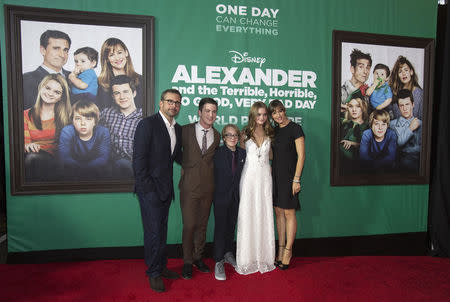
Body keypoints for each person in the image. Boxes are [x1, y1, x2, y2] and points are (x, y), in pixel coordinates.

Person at [133, 89, 183, 293]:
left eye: (177, 103)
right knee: (153, 233)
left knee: (161, 232)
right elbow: (138, 159)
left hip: (166, 190)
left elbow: (177, 157)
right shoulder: (147, 124)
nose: (173, 105)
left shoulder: (176, 128)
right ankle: (153, 273)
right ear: (161, 103)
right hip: (150, 191)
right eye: (169, 101)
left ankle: (161, 267)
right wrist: (147, 189)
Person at [179, 98, 220, 279]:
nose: (211, 115)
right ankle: (187, 261)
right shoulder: (185, 130)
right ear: (199, 112)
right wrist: (187, 165)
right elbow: (173, 153)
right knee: (189, 225)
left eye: (214, 112)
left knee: (202, 226)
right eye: (207, 111)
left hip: (208, 188)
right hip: (189, 187)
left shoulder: (217, 135)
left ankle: (198, 257)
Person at [235, 101, 276, 275]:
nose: (262, 117)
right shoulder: (245, 133)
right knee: (248, 214)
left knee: (264, 214)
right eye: (258, 114)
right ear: (253, 115)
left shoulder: (270, 132)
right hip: (249, 179)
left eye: (264, 114)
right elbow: (240, 153)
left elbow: (271, 156)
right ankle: (247, 258)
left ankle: (264, 257)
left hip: (265, 178)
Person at [268, 100, 305, 270]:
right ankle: (280, 248)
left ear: (284, 110)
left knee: (289, 213)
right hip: (275, 177)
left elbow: (301, 156)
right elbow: (271, 155)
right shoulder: (274, 131)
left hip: (290, 178)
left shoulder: (295, 128)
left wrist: (296, 179)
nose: (278, 115)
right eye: (274, 113)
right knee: (279, 213)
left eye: (280, 111)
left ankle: (289, 251)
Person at [212, 124, 246, 281]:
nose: (232, 138)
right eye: (229, 135)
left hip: (236, 198)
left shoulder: (243, 153)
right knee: (220, 228)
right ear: (223, 137)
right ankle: (218, 260)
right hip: (220, 197)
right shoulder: (217, 153)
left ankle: (228, 253)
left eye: (235, 135)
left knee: (231, 226)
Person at [24, 74, 71, 181]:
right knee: (31, 158)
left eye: (56, 92)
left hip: (55, 161)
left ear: (61, 98)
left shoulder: (66, 118)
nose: (50, 93)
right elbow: (26, 144)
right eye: (47, 88)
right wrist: (28, 145)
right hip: (31, 157)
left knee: (32, 158)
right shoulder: (25, 115)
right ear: (41, 88)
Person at [99, 75, 142, 178]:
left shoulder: (144, 117)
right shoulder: (107, 113)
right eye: (117, 93)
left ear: (134, 93)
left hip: (134, 166)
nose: (122, 97)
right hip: (110, 165)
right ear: (113, 97)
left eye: (125, 92)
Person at [58, 100, 110, 180]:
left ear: (95, 122)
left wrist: (85, 170)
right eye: (78, 118)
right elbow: (64, 157)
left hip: (96, 174)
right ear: (73, 121)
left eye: (88, 119)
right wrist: (81, 170)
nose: (83, 123)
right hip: (72, 174)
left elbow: (103, 158)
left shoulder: (103, 132)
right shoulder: (67, 131)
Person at [23, 30, 71, 109]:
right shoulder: (26, 80)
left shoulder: (76, 78)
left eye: (65, 50)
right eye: (56, 48)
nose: (62, 55)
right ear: (43, 50)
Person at [97, 38, 142, 109]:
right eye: (111, 55)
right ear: (107, 59)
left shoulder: (140, 79)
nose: (117, 58)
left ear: (126, 52)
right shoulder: (101, 83)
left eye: (119, 53)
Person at [389, 89, 422, 172]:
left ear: (413, 104)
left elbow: (423, 148)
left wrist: (406, 150)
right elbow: (398, 144)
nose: (405, 108)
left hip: (419, 164)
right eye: (401, 105)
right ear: (398, 107)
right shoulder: (392, 125)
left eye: (407, 104)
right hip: (400, 165)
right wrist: (410, 128)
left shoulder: (421, 123)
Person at [339, 90, 370, 173]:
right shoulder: (343, 122)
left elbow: (372, 146)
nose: (354, 110)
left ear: (363, 108)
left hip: (359, 166)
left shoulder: (368, 126)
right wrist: (344, 107)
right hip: (341, 165)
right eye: (351, 106)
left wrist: (352, 143)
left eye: (357, 106)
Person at [341, 49, 372, 114]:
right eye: (361, 67)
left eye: (368, 68)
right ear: (352, 69)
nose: (365, 72)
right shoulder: (341, 92)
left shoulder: (370, 93)